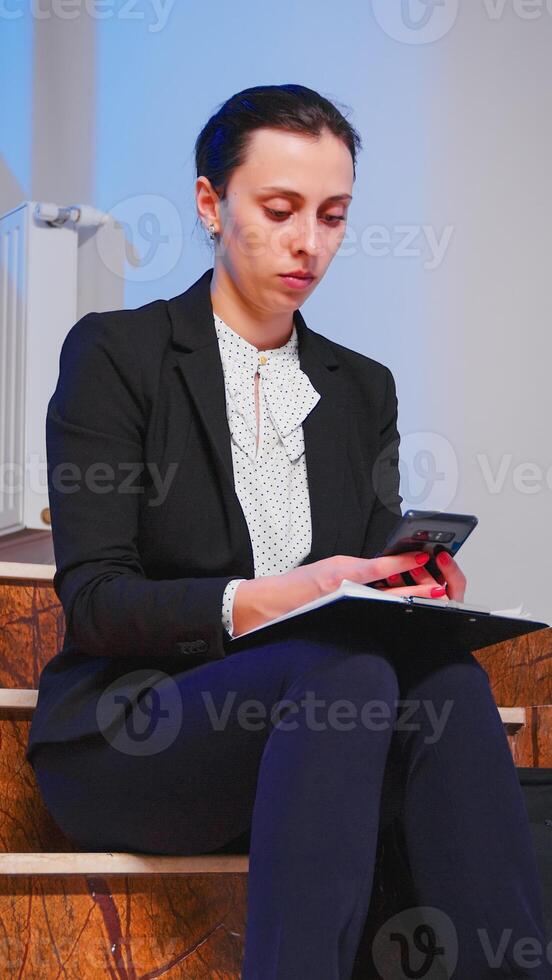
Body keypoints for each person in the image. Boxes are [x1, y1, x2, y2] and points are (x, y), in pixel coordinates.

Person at [26, 84, 550, 979]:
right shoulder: (117, 354)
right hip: (143, 733)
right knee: (339, 667)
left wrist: (411, 584)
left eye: (334, 215)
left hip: (320, 740)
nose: (310, 242)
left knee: (449, 682)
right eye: (280, 209)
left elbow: (372, 562)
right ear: (209, 204)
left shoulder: (360, 389)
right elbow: (98, 602)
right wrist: (279, 596)